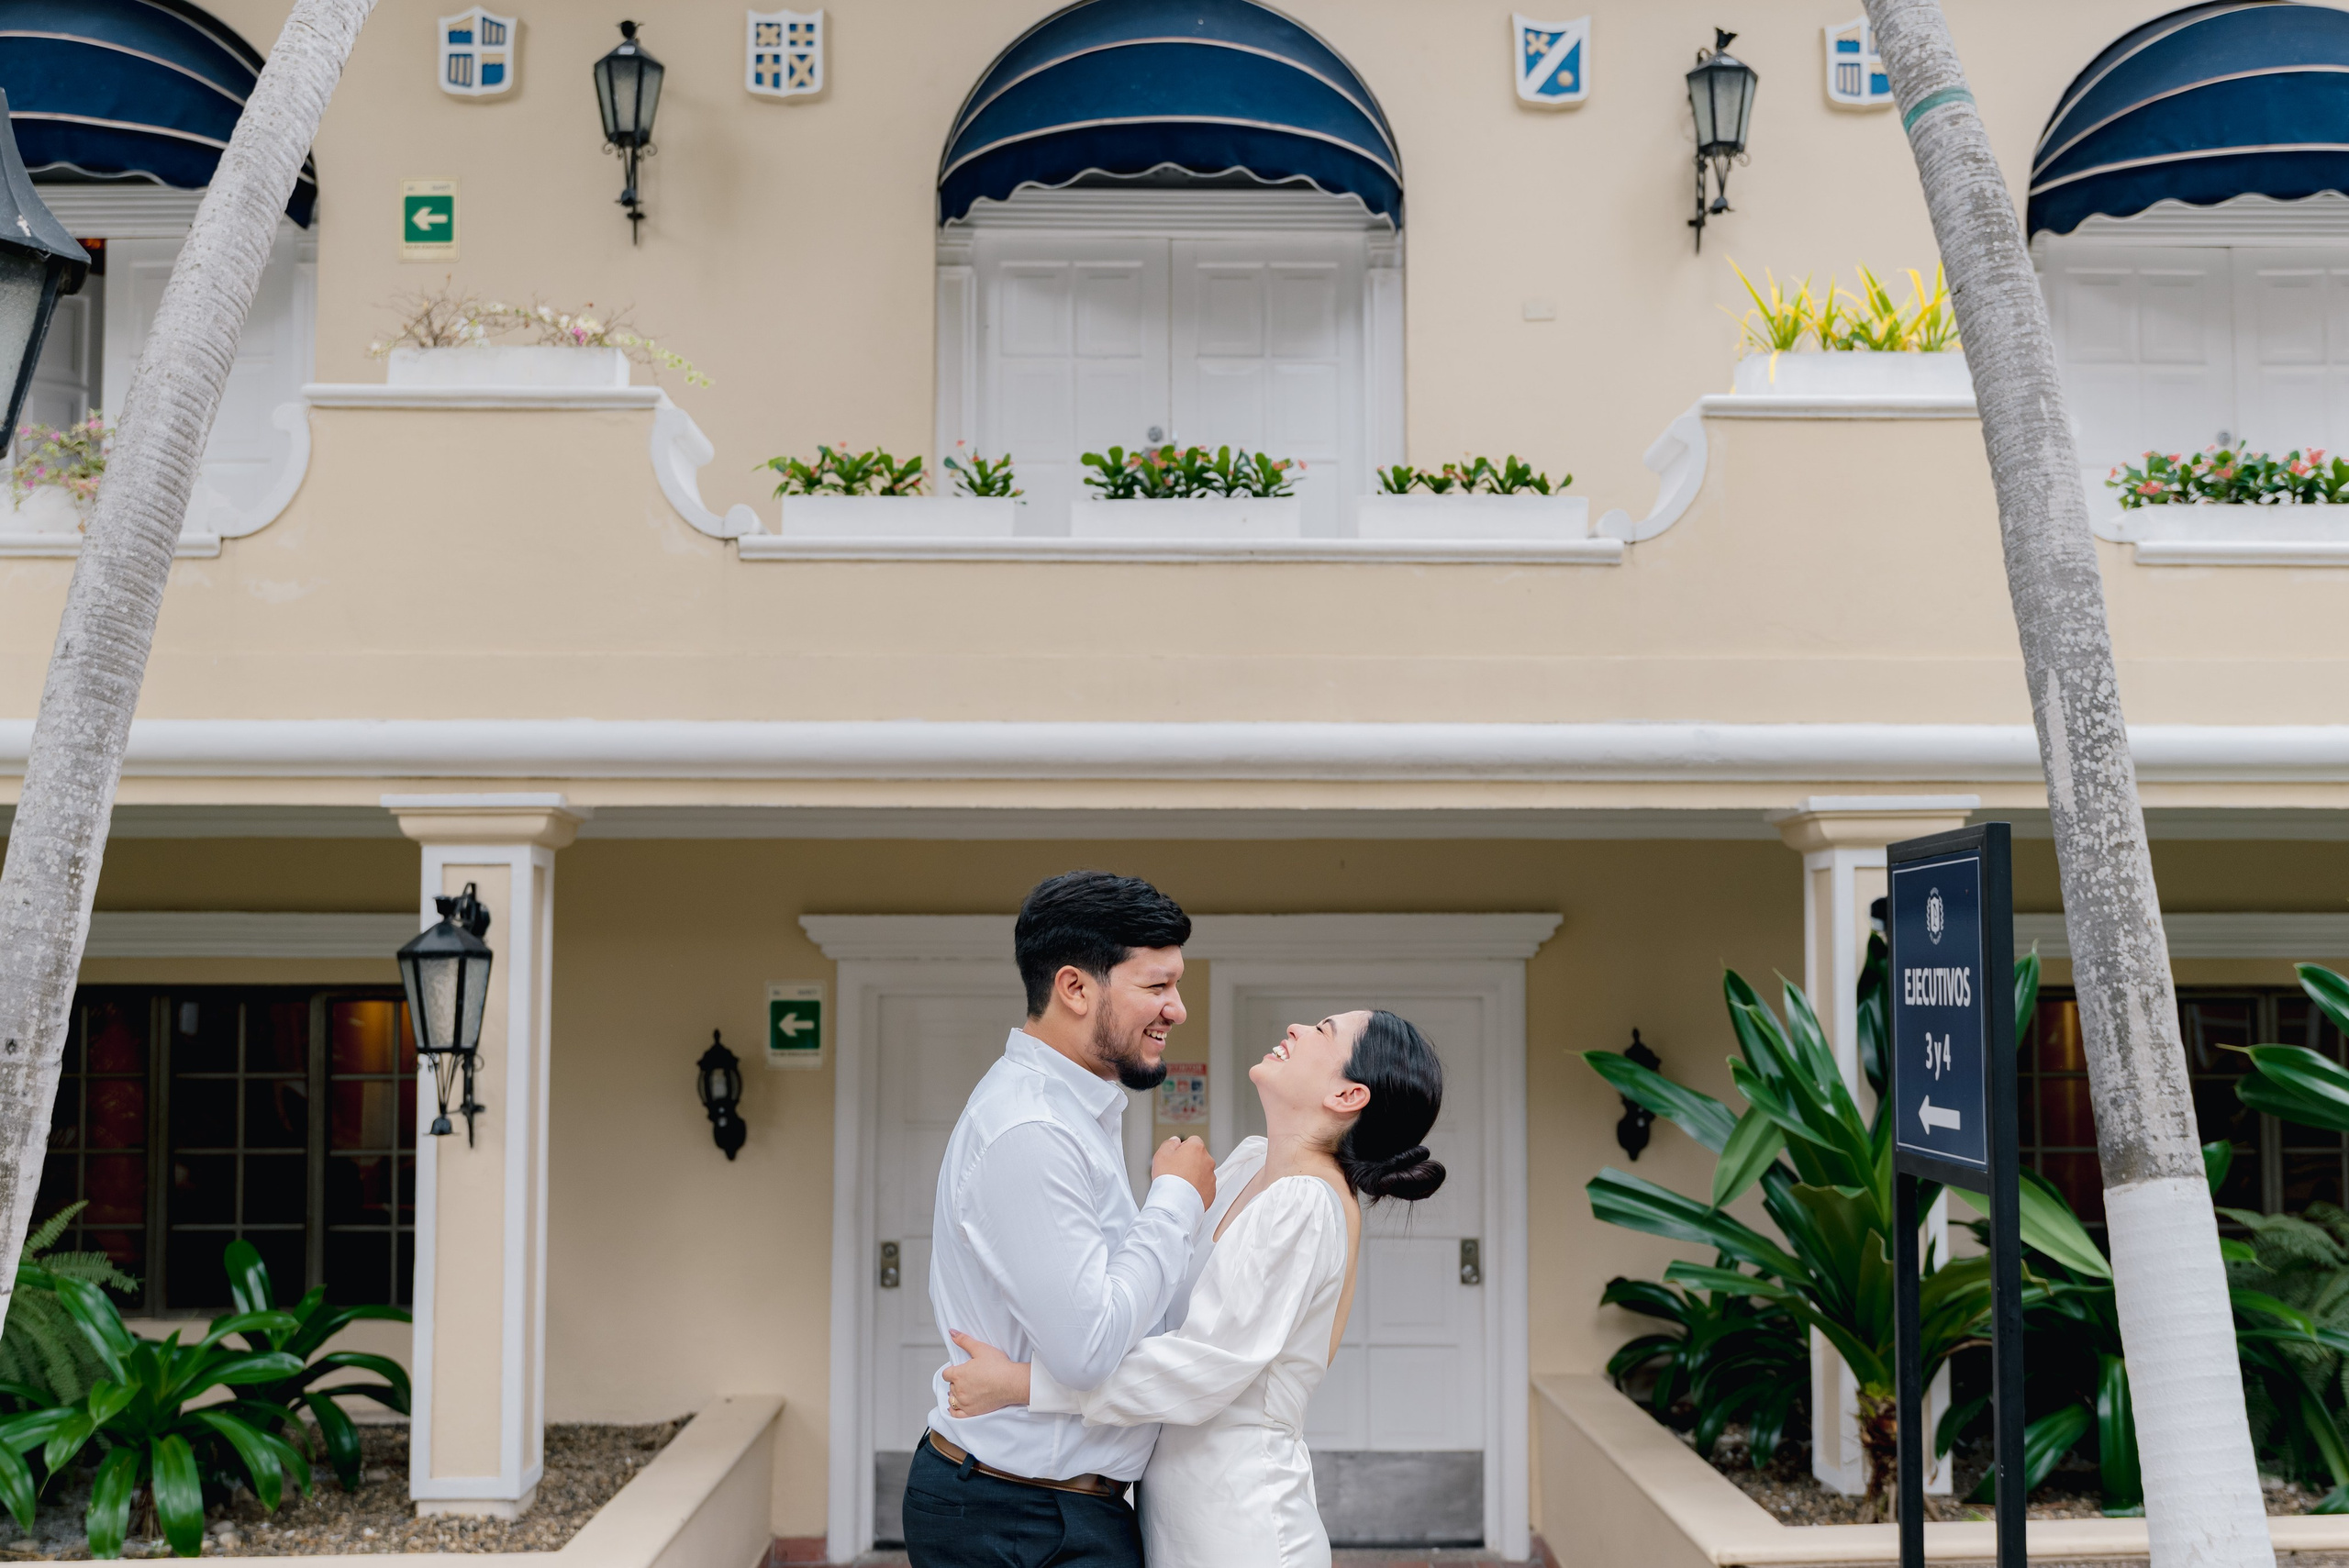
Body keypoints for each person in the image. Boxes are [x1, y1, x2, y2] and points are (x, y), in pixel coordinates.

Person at [941, 1008, 1447, 1568]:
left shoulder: (1304, 1202)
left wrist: (1020, 1384)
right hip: (1172, 1508)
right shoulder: (1250, 1163)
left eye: (1324, 1032)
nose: (1297, 1029)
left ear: (1349, 1095)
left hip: (1238, 1518)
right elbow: (1158, 1309)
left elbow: (1200, 1367)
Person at [902, 870, 1218, 1568]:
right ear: (1076, 988)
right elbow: (1088, 1344)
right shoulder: (1032, 1128)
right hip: (1017, 1516)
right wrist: (1175, 1200)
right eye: (1157, 985)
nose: (1178, 1009)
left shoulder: (1078, 1111)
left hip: (1056, 1509)